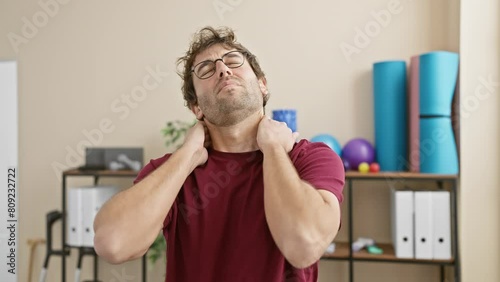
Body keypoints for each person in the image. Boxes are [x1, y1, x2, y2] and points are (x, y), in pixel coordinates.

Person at [93, 26, 344, 282]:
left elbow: (304, 246)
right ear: (197, 108)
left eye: (234, 60)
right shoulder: (173, 171)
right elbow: (113, 243)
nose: (223, 70)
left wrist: (273, 149)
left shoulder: (310, 158)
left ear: (263, 85)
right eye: (206, 70)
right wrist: (187, 155)